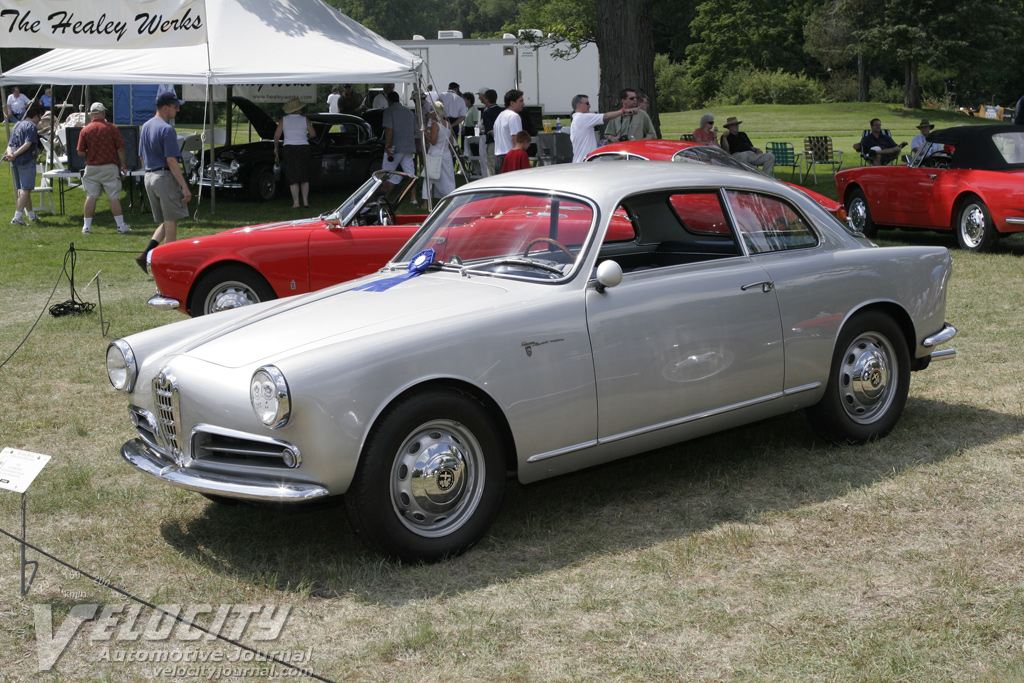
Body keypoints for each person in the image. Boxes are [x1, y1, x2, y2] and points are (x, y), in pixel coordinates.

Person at [136, 92, 192, 274]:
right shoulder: (167, 129)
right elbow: (171, 161)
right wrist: (184, 186)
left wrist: (148, 173)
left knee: (169, 218)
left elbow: (141, 156)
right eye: (175, 106)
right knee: (171, 221)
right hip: (163, 176)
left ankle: (145, 254)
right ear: (165, 107)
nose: (178, 109)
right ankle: (170, 264)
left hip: (149, 176)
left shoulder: (145, 126)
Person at [77, 102, 131, 234]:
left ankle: (86, 227)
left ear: (91, 115)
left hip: (91, 167)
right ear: (103, 113)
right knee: (113, 196)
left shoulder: (85, 130)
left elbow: (80, 152)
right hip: (109, 167)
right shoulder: (112, 128)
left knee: (91, 196)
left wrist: (91, 153)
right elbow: (120, 149)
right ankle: (120, 226)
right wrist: (123, 166)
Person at [3, 104, 43, 225]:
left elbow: (10, 144)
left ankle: (31, 215)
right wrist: (14, 155)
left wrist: (11, 155)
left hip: (15, 161)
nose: (39, 121)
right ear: (35, 117)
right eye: (39, 118)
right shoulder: (31, 126)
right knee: (26, 189)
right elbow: (27, 144)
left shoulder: (17, 124)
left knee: (24, 189)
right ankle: (17, 217)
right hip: (26, 160)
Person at [273, 98, 316, 209]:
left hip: (289, 148)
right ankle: (305, 201)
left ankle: (296, 202)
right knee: (304, 175)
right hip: (303, 148)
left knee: (292, 176)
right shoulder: (305, 119)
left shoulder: (283, 120)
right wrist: (305, 136)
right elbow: (313, 134)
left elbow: (276, 136)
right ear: (297, 109)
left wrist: (276, 147)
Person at [569, 93, 636, 163]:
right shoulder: (583, 118)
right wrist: (623, 111)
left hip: (580, 162)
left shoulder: (576, 119)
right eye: (587, 103)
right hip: (586, 164)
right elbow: (606, 116)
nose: (589, 106)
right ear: (579, 104)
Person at [381, 90, 418, 204]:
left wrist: (387, 145)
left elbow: (389, 129)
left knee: (386, 173)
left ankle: (384, 196)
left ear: (389, 100)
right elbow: (414, 130)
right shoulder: (409, 112)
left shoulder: (389, 111)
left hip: (395, 147)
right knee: (410, 174)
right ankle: (413, 198)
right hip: (408, 146)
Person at [422, 100, 455, 200]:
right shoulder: (448, 125)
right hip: (446, 154)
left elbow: (433, 141)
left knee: (429, 177)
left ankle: (426, 201)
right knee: (447, 178)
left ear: (435, 112)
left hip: (435, 153)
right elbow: (451, 143)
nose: (430, 112)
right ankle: (450, 196)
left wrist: (425, 134)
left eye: (431, 110)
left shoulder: (436, 125)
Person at [493, 89, 524, 174]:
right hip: (510, 158)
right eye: (520, 101)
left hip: (498, 158)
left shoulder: (500, 116)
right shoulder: (514, 116)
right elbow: (515, 139)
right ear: (512, 103)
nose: (523, 104)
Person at [479, 89, 501, 177]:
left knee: (491, 166)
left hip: (493, 142)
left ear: (486, 100)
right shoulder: (502, 110)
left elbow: (490, 130)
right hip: (504, 143)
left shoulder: (487, 112)